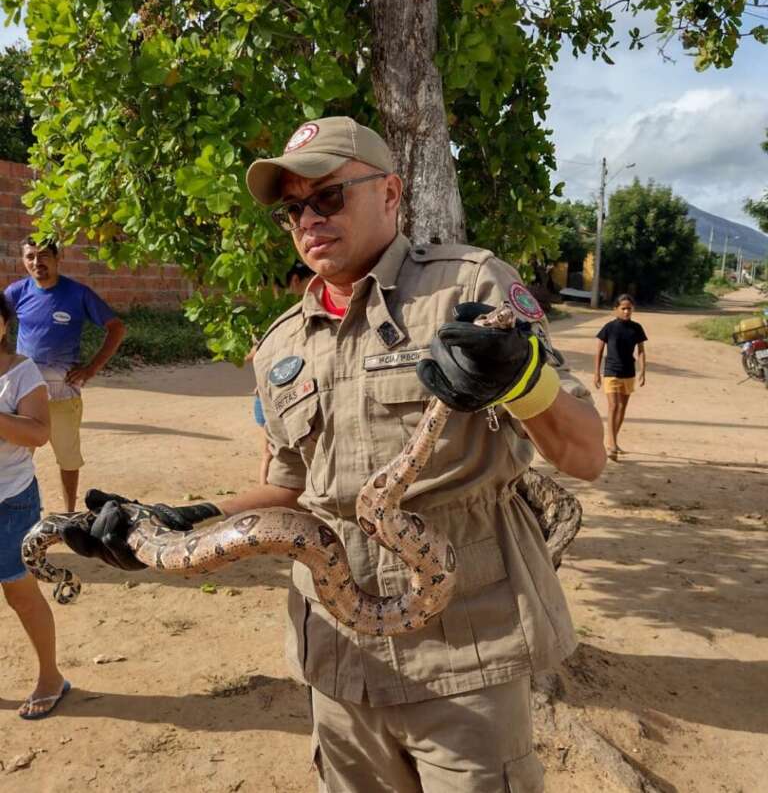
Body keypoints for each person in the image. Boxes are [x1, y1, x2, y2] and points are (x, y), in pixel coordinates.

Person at [61, 116, 606, 792]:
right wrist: (179, 518)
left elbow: (585, 453)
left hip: (468, 660)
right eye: (294, 209)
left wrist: (523, 378)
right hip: (340, 665)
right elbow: (291, 490)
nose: (308, 220)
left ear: (390, 193)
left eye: (328, 197)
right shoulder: (282, 344)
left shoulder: (469, 290)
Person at [4, 238, 126, 511]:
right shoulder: (16, 293)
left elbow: (117, 327)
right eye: (31, 257)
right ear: (23, 260)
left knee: (68, 459)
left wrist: (91, 368)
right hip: (23, 396)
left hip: (63, 394)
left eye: (44, 256)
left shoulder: (78, 294)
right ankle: (21, 512)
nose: (37, 263)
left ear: (59, 259)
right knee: (16, 458)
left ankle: (69, 514)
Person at [0, 292, 70, 719]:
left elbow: (38, 433)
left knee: (20, 594)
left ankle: (50, 677)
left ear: (4, 324)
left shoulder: (23, 374)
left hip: (10, 501)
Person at [247, 262, 314, 483]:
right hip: (273, 393)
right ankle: (269, 490)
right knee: (273, 454)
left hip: (273, 394)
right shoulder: (290, 318)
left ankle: (268, 489)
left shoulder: (293, 314)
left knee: (271, 453)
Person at [594, 293, 648, 460]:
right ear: (615, 309)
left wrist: (643, 371)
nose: (626, 312)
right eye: (623, 308)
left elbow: (641, 351)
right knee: (613, 406)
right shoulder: (609, 328)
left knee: (622, 408)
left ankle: (613, 442)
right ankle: (610, 444)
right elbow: (599, 350)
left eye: (629, 309)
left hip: (629, 373)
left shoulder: (637, 328)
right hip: (611, 372)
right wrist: (596, 372)